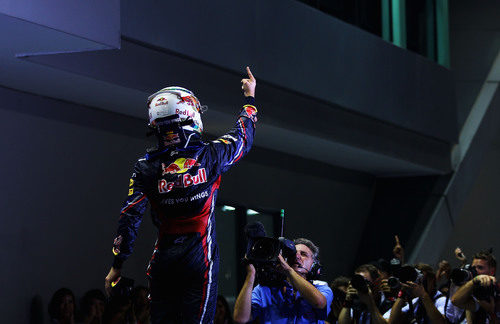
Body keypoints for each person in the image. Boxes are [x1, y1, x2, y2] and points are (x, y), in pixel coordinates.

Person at [104, 67, 258, 323]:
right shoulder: (211, 155)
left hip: (163, 262)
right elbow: (244, 137)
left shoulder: (145, 166)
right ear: (190, 114)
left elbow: (129, 217)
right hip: (201, 263)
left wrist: (117, 265)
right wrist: (249, 98)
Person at [233, 238, 333, 323]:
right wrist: (251, 274)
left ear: (314, 264)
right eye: (293, 253)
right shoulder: (264, 289)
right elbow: (240, 318)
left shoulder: (321, 288)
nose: (296, 256)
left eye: (303, 254)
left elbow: (319, 303)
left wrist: (288, 270)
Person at [451, 250, 499, 323]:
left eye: (480, 268)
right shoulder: (475, 290)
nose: (475, 271)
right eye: (473, 268)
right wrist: (473, 281)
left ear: (492, 271)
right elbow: (455, 300)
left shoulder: (496, 291)